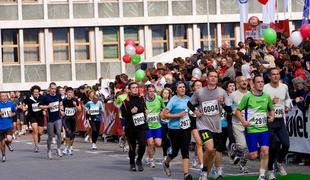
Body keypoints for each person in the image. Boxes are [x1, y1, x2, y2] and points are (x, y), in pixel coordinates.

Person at [187, 70, 229, 180]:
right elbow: (189, 104)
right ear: (207, 78)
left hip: (216, 127)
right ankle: (205, 171)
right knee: (210, 149)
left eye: (216, 76)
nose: (214, 78)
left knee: (213, 152)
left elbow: (229, 110)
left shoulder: (222, 92)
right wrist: (196, 111)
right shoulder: (199, 92)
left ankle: (205, 172)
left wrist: (223, 103)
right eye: (211, 76)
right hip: (203, 125)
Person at [236, 75, 275, 180]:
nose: (261, 84)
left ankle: (261, 175)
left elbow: (271, 109)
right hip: (251, 130)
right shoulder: (247, 97)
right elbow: (238, 110)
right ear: (253, 84)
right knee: (253, 156)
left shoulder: (266, 96)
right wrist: (243, 121)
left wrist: (272, 116)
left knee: (265, 150)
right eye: (258, 82)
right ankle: (244, 156)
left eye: (262, 82)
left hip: (263, 129)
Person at [162, 81, 193, 180]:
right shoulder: (173, 100)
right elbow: (164, 114)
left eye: (184, 87)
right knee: (175, 152)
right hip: (174, 128)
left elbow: (192, 110)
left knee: (185, 150)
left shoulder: (189, 99)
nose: (183, 89)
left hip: (186, 128)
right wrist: (177, 115)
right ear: (176, 90)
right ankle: (166, 163)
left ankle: (186, 174)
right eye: (180, 87)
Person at [263, 68, 291, 179]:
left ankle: (279, 162)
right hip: (269, 120)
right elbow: (258, 102)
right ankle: (270, 170)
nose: (276, 76)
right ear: (269, 76)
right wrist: (270, 102)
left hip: (280, 120)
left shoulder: (284, 87)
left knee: (286, 144)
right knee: (274, 144)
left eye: (278, 74)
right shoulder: (265, 88)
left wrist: (287, 106)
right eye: (273, 74)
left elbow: (288, 99)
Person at [120, 81, 147, 172]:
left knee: (143, 144)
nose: (135, 89)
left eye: (136, 87)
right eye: (133, 88)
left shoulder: (142, 99)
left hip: (141, 126)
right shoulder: (125, 101)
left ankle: (139, 160)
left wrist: (146, 112)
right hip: (130, 127)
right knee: (132, 148)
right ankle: (132, 163)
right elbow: (123, 114)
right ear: (129, 90)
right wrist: (130, 112)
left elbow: (144, 109)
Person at [230, 76, 250, 173]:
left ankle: (242, 165)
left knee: (249, 148)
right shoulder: (233, 95)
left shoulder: (251, 94)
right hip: (237, 123)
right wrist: (233, 111)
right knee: (242, 146)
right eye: (241, 81)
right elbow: (228, 107)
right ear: (238, 83)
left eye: (245, 80)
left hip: (249, 123)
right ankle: (236, 147)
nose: (244, 82)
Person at [39, 82, 63, 159]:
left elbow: (60, 102)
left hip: (58, 117)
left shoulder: (58, 95)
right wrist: (48, 106)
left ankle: (58, 148)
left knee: (59, 133)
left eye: (55, 89)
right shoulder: (45, 97)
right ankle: (49, 150)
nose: (54, 90)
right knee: (50, 136)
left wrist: (61, 109)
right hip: (50, 119)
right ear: (49, 89)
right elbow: (39, 106)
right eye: (52, 89)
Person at [145, 84, 165, 168]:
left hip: (157, 125)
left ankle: (149, 153)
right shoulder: (143, 100)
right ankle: (151, 160)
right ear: (147, 91)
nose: (152, 93)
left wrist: (161, 113)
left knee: (157, 143)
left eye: (153, 91)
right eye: (150, 91)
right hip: (148, 126)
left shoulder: (159, 98)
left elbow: (164, 108)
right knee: (150, 143)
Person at [23, 85, 44, 153]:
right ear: (32, 92)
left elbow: (46, 104)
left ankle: (38, 136)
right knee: (35, 129)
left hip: (40, 116)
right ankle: (36, 146)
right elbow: (23, 104)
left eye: (37, 92)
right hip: (32, 116)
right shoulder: (29, 98)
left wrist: (44, 110)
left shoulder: (42, 97)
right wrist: (24, 108)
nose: (36, 93)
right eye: (34, 92)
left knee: (40, 132)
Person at [188, 80, 204, 169]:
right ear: (193, 87)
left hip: (204, 122)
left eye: (200, 85)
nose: (198, 87)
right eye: (196, 85)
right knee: (199, 142)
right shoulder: (189, 97)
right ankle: (202, 164)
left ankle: (195, 156)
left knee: (201, 144)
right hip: (193, 122)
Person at [61, 87, 81, 155]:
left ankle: (69, 148)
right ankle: (66, 147)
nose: (70, 94)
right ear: (66, 93)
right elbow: (60, 108)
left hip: (73, 119)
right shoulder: (64, 100)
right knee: (68, 133)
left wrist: (75, 105)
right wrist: (62, 111)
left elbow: (79, 109)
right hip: (66, 119)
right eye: (68, 92)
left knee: (72, 134)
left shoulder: (75, 100)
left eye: (71, 92)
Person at [0, 92, 16, 162]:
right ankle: (3, 155)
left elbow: (14, 112)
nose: (3, 97)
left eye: (5, 96)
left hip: (9, 125)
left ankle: (8, 142)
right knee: (2, 143)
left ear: (7, 97)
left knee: (9, 139)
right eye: (2, 96)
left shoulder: (10, 104)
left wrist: (11, 114)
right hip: (0, 126)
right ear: (0, 97)